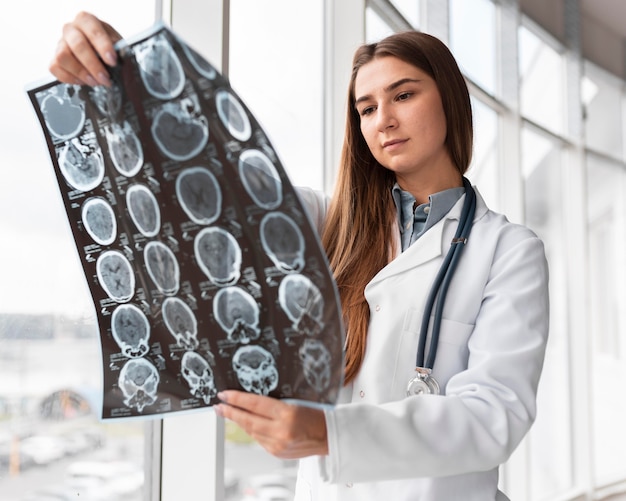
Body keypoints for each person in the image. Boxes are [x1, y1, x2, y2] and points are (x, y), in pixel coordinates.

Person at [50, 12, 549, 501]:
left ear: (450, 100)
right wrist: (131, 85)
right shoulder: (327, 223)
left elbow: (492, 415)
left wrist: (331, 433)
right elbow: (215, 188)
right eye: (367, 108)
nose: (385, 120)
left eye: (403, 94)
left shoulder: (507, 251)